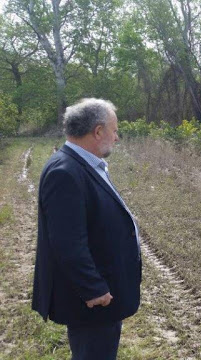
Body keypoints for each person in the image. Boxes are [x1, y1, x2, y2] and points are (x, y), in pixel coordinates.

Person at [32, 98, 141, 359]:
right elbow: (67, 243)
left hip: (101, 293)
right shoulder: (66, 172)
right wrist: (93, 289)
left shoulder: (82, 164)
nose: (117, 138)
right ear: (98, 131)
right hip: (93, 302)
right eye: (114, 131)